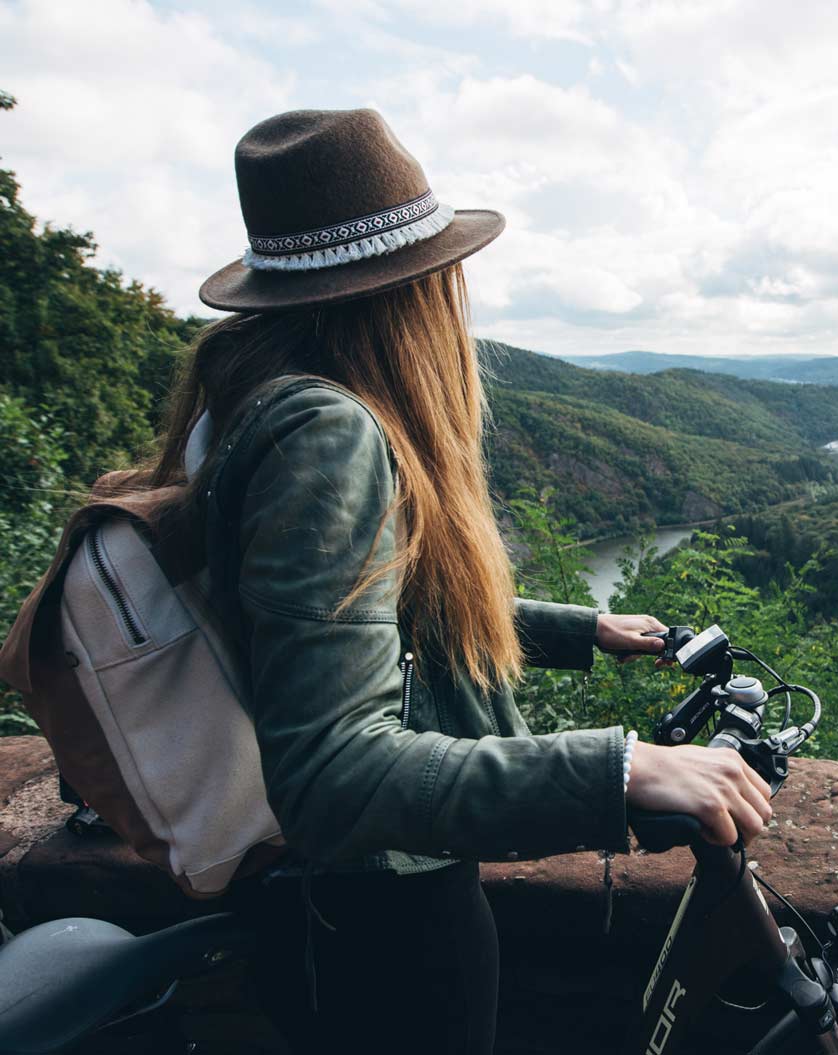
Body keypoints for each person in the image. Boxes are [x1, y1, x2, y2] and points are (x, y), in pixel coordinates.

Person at [146, 108, 773, 1054]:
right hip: (386, 924)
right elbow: (335, 770)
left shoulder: (249, 397)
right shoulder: (329, 431)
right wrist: (623, 765)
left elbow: (350, 612)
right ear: (412, 289)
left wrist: (578, 629)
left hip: (322, 917)